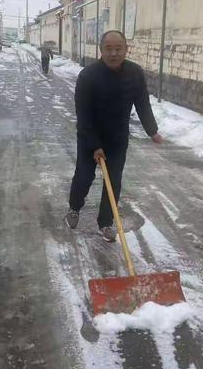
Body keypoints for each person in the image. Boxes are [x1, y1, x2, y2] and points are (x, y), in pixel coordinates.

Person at [64, 30, 163, 242]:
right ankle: (74, 208)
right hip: (90, 135)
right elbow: (83, 115)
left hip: (117, 138)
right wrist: (94, 145)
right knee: (84, 177)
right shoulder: (88, 76)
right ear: (101, 51)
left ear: (127, 49)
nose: (114, 53)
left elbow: (142, 103)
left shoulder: (135, 73)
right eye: (109, 48)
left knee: (114, 182)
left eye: (119, 48)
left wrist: (152, 130)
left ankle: (106, 222)